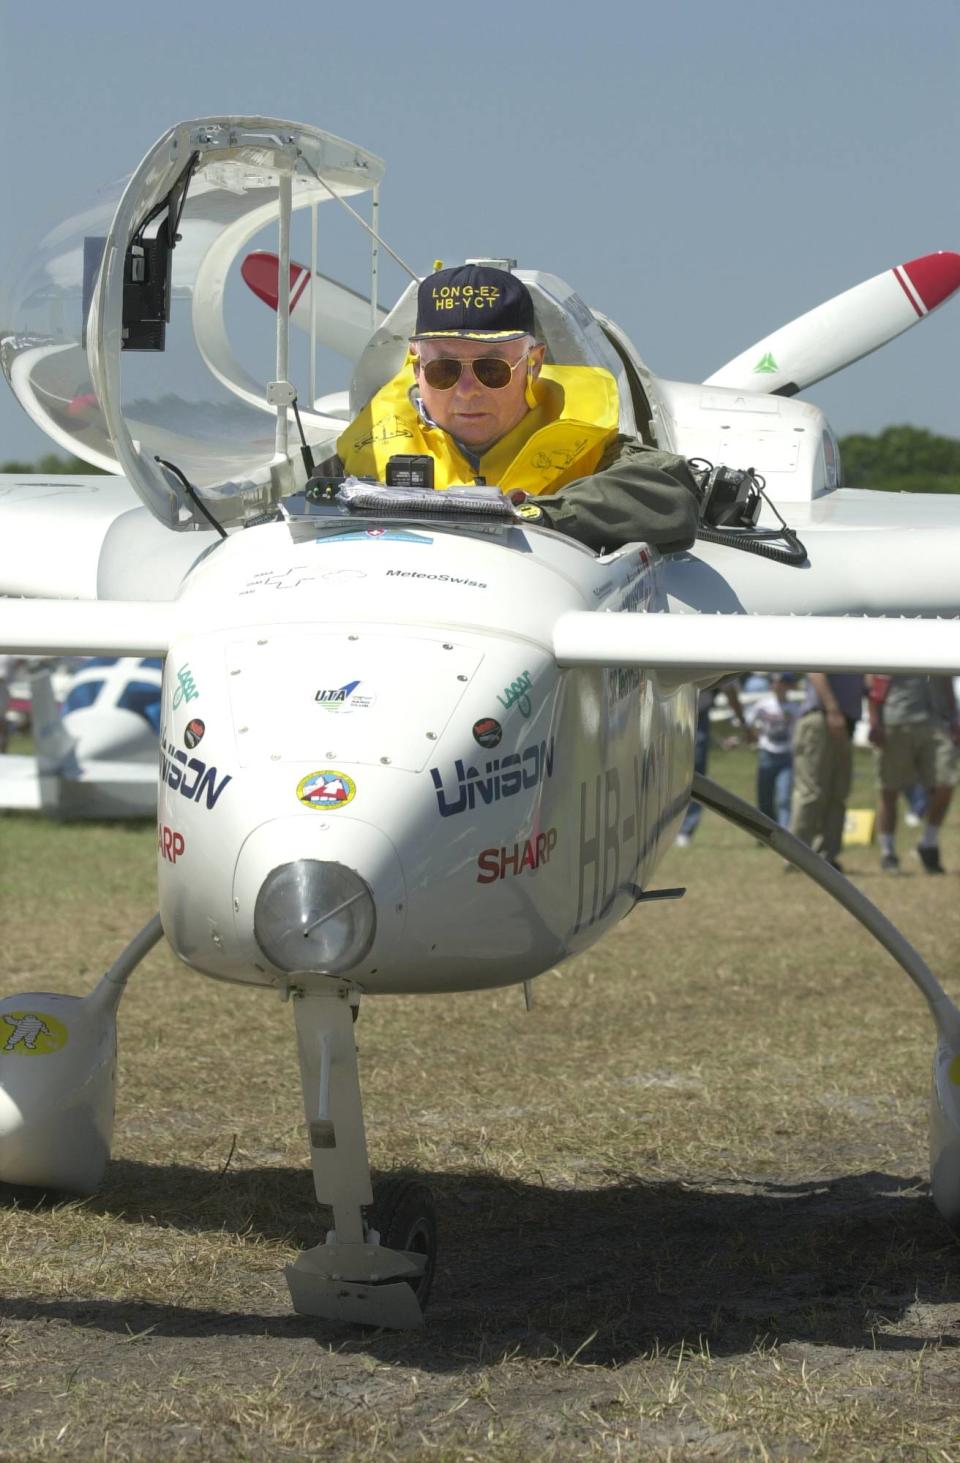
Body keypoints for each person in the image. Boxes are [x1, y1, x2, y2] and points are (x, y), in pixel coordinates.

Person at [323, 264, 705, 554]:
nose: (467, 391)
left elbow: (666, 493)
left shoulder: (597, 454)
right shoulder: (358, 463)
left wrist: (539, 516)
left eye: (492, 370)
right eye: (445, 370)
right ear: (417, 366)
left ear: (533, 364)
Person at [867, 674, 959, 874]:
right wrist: (875, 722)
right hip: (896, 719)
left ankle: (928, 842)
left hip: (935, 721)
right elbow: (875, 685)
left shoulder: (938, 647)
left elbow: (946, 680)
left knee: (947, 780)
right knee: (889, 789)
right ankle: (888, 851)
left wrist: (954, 717)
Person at [789, 673, 864, 872]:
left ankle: (826, 857)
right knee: (811, 792)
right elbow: (815, 671)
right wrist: (832, 708)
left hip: (845, 722)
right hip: (821, 718)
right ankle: (795, 856)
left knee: (837, 793)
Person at [676, 679, 750, 846]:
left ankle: (685, 829)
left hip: (698, 713)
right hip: (668, 710)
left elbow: (729, 688)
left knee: (696, 774)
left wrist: (743, 724)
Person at [745, 673, 801, 827]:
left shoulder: (795, 708)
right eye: (774, 682)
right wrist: (752, 737)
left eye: (782, 682)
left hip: (786, 756)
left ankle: (784, 832)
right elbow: (748, 723)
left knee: (784, 797)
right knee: (765, 797)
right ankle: (766, 829)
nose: (778, 686)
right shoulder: (762, 705)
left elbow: (799, 731)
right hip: (766, 754)